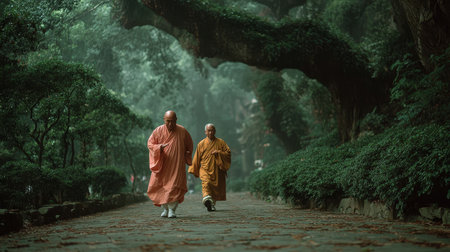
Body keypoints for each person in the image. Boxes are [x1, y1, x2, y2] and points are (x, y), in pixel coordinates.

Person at [147, 110, 193, 218]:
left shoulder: (182, 131)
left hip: (176, 165)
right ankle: (165, 209)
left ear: (176, 120)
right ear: (164, 120)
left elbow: (189, 145)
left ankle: (172, 210)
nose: (170, 124)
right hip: (162, 165)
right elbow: (150, 144)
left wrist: (187, 153)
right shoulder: (157, 131)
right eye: (168, 121)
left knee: (174, 187)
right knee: (162, 187)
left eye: (172, 121)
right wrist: (159, 148)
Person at [188, 123, 231, 211]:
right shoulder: (201, 144)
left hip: (217, 170)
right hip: (205, 169)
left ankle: (211, 204)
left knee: (214, 188)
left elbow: (228, 153)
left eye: (212, 130)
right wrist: (193, 169)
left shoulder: (221, 142)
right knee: (206, 183)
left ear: (215, 131)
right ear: (205, 132)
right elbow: (197, 157)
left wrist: (219, 152)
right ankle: (206, 198)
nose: (211, 133)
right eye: (209, 131)